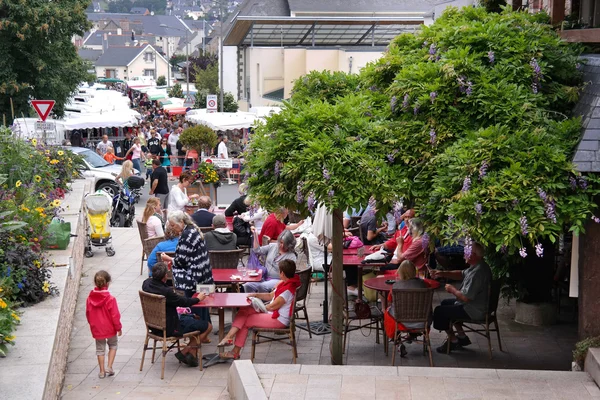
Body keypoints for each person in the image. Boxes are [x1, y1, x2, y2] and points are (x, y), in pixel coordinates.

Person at [218, 259, 301, 359]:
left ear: (282, 273)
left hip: (278, 319)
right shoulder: (286, 283)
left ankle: (234, 348)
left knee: (246, 320)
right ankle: (229, 338)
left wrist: (257, 306)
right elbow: (270, 295)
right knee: (244, 310)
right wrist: (256, 295)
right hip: (273, 313)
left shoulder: (286, 291)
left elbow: (271, 306)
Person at [142, 262, 212, 367]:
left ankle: (192, 355)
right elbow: (183, 302)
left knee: (194, 318)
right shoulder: (166, 292)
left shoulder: (146, 284)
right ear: (165, 276)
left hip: (154, 326)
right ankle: (185, 351)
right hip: (170, 327)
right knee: (207, 326)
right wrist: (198, 298)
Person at [430, 242, 492, 353]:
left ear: (473, 255)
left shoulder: (477, 273)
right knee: (445, 303)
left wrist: (452, 290)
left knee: (440, 311)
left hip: (474, 309)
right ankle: (462, 337)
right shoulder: (479, 265)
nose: (464, 255)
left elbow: (466, 298)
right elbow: (461, 274)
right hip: (476, 305)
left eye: (467, 252)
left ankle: (453, 341)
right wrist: (443, 273)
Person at [160, 211, 213, 298]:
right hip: (204, 275)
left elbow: (181, 261)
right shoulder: (193, 229)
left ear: (181, 222)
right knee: (204, 304)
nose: (171, 228)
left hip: (193, 279)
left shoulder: (186, 235)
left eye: (173, 225)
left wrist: (168, 258)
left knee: (194, 305)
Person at [86, 270, 122, 379]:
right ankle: (109, 367)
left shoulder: (89, 298)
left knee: (100, 349)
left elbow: (88, 313)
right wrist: (118, 328)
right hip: (109, 328)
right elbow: (115, 315)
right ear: (108, 283)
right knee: (113, 345)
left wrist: (92, 325)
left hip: (97, 328)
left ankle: (101, 371)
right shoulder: (110, 299)